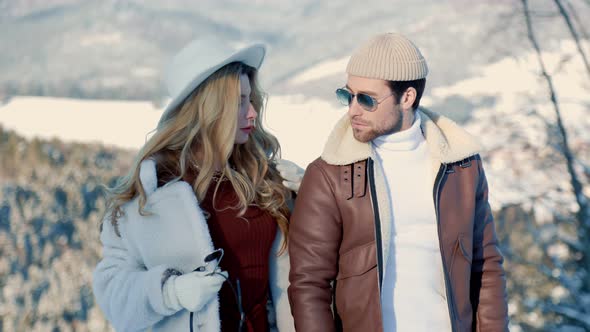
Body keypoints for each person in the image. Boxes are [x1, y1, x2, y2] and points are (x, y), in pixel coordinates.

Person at [288, 33, 508, 332]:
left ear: (407, 97)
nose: (353, 109)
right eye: (347, 95)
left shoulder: (462, 167)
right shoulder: (329, 174)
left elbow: (486, 267)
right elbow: (309, 284)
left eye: (366, 99)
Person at [93, 37, 299, 332]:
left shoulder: (261, 175)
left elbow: (313, 261)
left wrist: (311, 194)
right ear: (210, 108)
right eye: (240, 102)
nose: (252, 112)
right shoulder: (154, 189)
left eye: (250, 99)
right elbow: (112, 291)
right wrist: (170, 292)